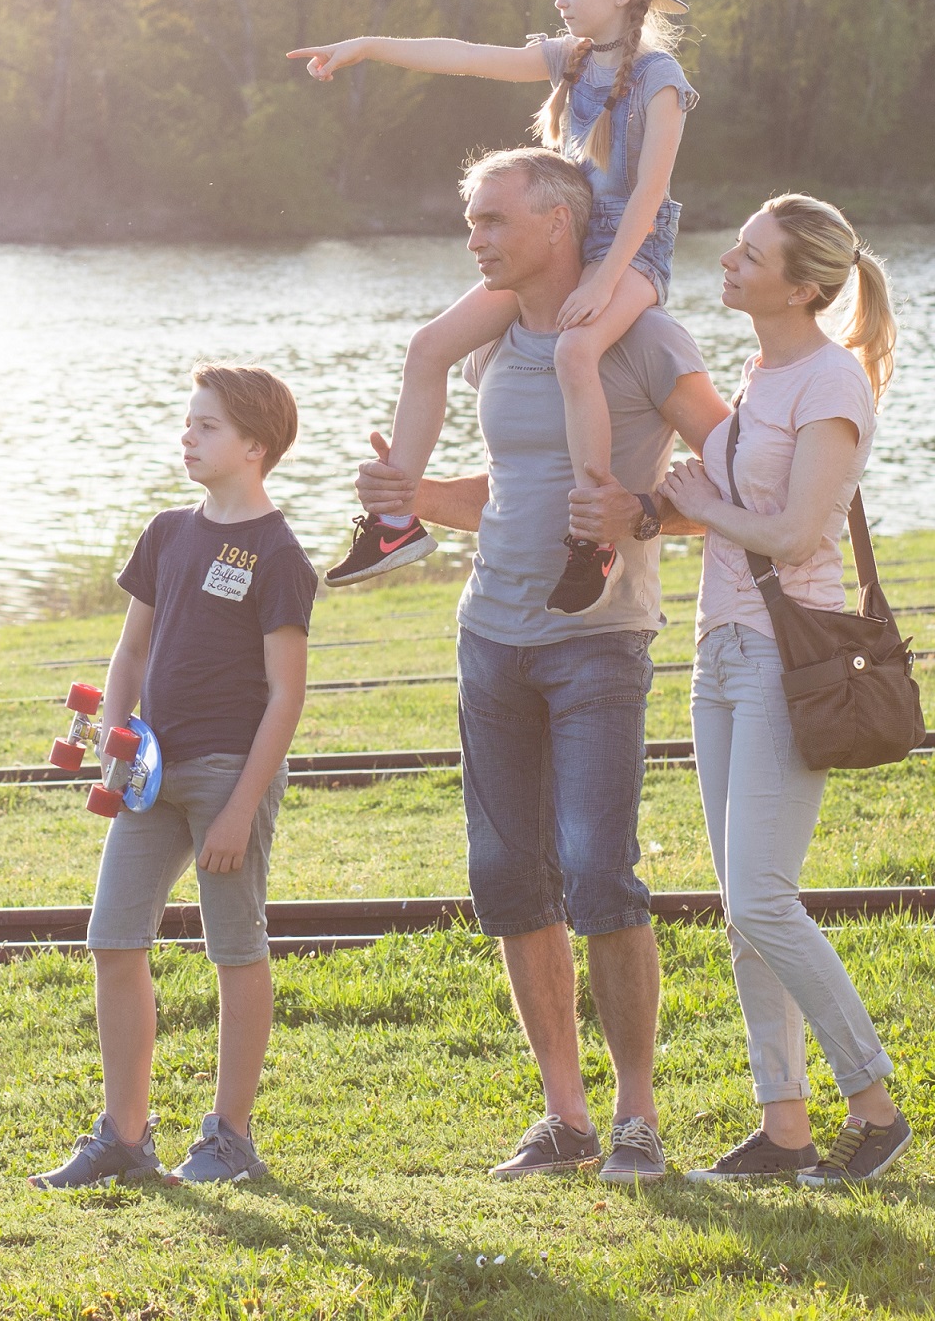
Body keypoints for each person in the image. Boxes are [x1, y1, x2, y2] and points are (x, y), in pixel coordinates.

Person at [352, 148, 723, 1186]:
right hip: (491, 641)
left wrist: (644, 512)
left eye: (492, 221)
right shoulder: (496, 338)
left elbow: (740, 473)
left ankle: (638, 1118)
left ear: (559, 224)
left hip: (598, 641)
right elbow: (508, 489)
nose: (475, 240)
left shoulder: (644, 340)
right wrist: (412, 493)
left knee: (601, 875)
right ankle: (564, 1118)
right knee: (510, 878)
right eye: (470, 221)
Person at [292, 0, 697, 597]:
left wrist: (603, 280)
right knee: (428, 346)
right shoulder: (568, 57)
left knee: (574, 352)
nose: (561, 0)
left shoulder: (660, 78)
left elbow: (649, 193)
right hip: (563, 251)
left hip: (631, 255)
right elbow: (463, 55)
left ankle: (590, 540)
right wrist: (366, 45)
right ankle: (394, 522)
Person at [653, 192, 914, 1186]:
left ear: (800, 286)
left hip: (782, 660)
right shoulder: (762, 376)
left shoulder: (830, 385)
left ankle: (875, 1106)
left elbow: (799, 533)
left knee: (762, 897)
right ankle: (784, 1128)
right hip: (718, 653)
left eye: (750, 253)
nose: (728, 259)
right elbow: (730, 515)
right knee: (742, 903)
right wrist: (673, 507)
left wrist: (703, 501)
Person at [30, 365, 317, 1191]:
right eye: (186, 423)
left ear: (254, 445)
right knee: (112, 941)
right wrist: (118, 744)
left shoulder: (278, 553)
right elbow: (131, 652)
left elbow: (286, 694)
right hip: (152, 775)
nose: (186, 437)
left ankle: (229, 1137)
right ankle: (123, 1135)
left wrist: (239, 807)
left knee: (235, 949)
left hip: (231, 774)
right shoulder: (165, 533)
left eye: (206, 427)